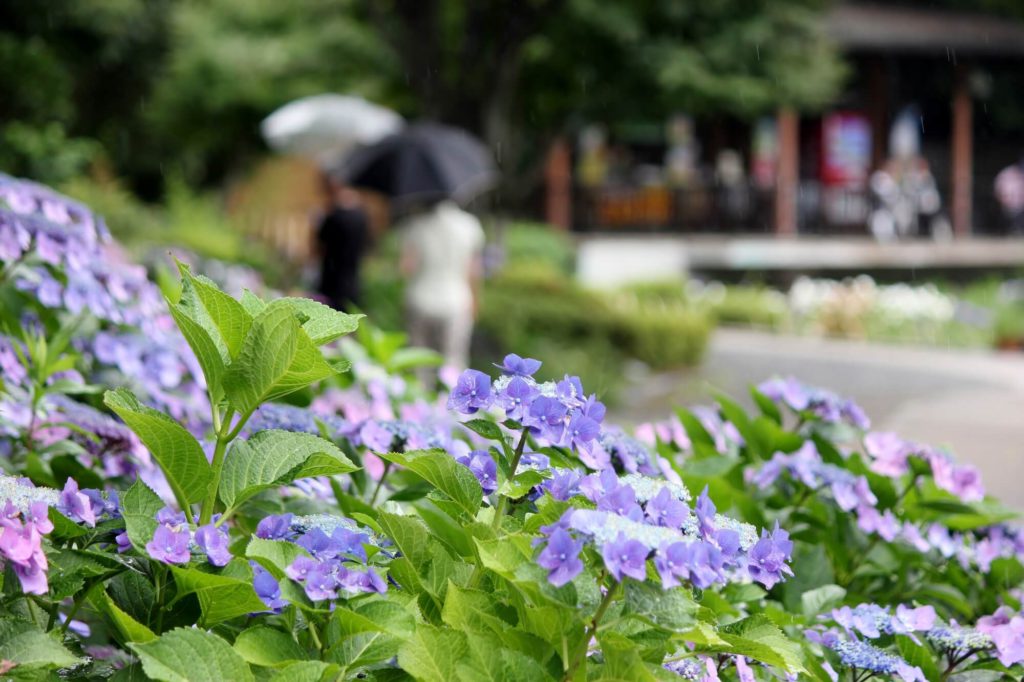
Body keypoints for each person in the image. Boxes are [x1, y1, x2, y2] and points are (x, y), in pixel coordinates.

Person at [398, 199, 485, 369]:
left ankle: (420, 394)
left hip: (419, 299)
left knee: (419, 361)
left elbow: (406, 268)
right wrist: (475, 300)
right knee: (454, 361)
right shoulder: (470, 225)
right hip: (456, 300)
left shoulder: (416, 225)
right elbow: (473, 270)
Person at [315, 172, 369, 311]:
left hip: (333, 278)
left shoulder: (334, 215)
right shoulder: (361, 215)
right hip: (353, 279)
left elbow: (320, 245)